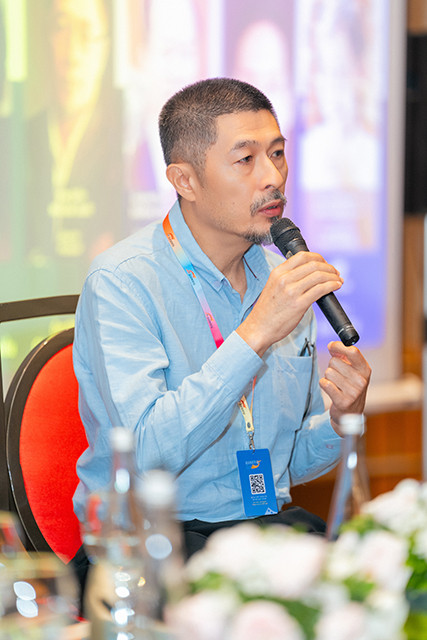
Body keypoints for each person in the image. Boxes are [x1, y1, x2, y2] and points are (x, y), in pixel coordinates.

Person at [72, 78, 371, 595]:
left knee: (379, 590)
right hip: (151, 546)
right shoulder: (121, 282)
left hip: (259, 534)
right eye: (246, 159)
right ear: (184, 180)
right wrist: (254, 335)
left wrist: (343, 420)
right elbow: (146, 455)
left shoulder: (279, 280)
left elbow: (285, 463)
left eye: (277, 154)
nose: (273, 177)